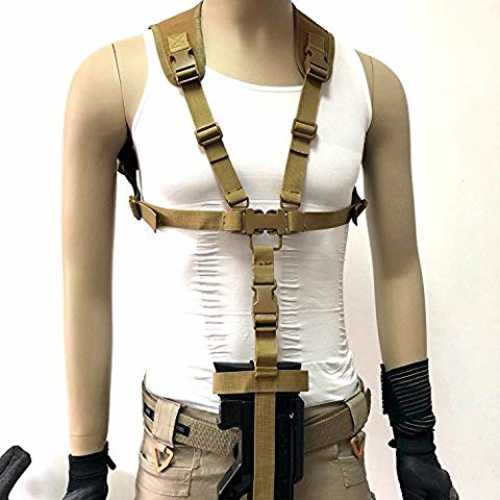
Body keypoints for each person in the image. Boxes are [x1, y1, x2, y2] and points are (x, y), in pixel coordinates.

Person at [61, 1, 458, 499]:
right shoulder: (116, 78)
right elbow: (84, 285)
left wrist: (417, 441)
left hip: (329, 452)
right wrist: (85, 468)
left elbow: (398, 270)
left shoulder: (372, 86)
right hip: (184, 459)